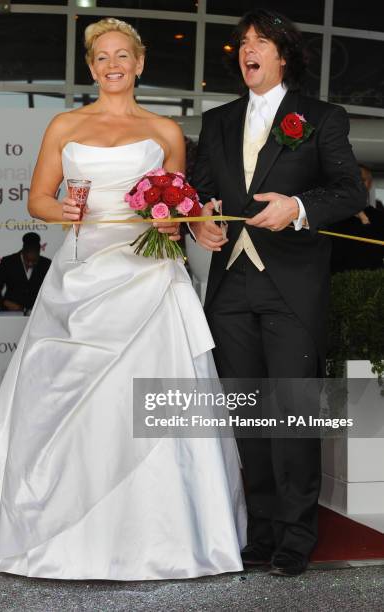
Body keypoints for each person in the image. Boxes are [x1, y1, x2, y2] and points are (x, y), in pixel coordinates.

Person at [0, 18, 246, 580]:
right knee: (62, 398)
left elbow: (176, 208)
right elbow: (38, 199)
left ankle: (164, 534)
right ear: (92, 66)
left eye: (121, 54)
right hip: (80, 271)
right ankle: (54, 530)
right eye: (101, 57)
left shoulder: (165, 131)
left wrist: (185, 223)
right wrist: (65, 211)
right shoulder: (64, 124)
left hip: (147, 273)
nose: (112, 64)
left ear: (140, 62)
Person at [191, 9, 367, 577]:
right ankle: (262, 530)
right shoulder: (216, 121)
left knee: (292, 413)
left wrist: (298, 208)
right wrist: (199, 219)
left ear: (283, 55)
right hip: (231, 285)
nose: (249, 50)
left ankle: (296, 536)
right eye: (243, 43)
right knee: (249, 415)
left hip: (292, 285)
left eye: (261, 42)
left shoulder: (320, 117)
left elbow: (346, 193)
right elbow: (200, 191)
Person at [330, 164, 384, 273]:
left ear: (369, 184)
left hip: (372, 282)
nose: (357, 186)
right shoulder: (331, 216)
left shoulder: (380, 217)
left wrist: (364, 219)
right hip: (335, 282)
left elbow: (377, 250)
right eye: (352, 182)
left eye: (362, 181)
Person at [0, 232, 51, 312]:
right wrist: (4, 302)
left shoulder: (46, 264)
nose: (30, 264)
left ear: (39, 253)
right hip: (10, 314)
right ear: (23, 251)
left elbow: (52, 291)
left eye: (34, 261)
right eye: (27, 261)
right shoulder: (8, 262)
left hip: (37, 314)